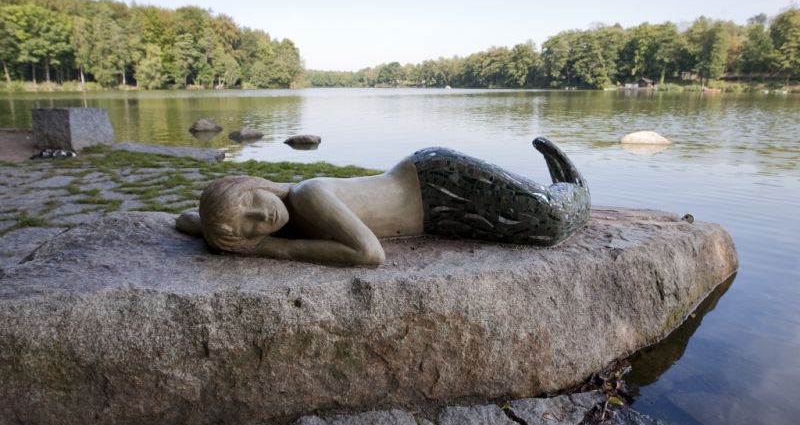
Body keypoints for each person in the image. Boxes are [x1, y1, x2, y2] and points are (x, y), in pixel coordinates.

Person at [177, 137, 590, 266]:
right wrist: (214, 229)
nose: (261, 213)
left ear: (255, 182)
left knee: (552, 217)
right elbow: (186, 219)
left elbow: (369, 254)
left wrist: (267, 247)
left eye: (251, 198)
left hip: (436, 182)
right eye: (251, 224)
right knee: (538, 225)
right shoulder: (278, 217)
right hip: (437, 213)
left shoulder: (308, 195)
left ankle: (573, 182)